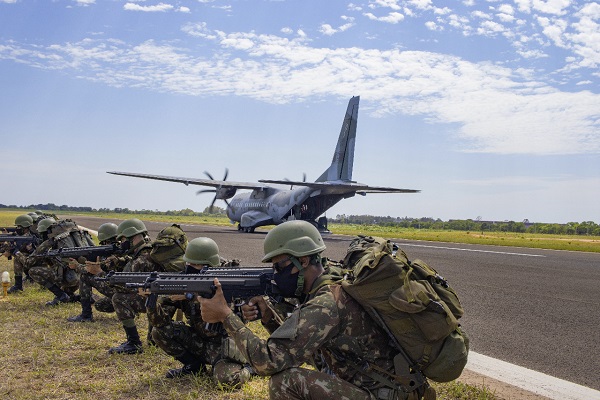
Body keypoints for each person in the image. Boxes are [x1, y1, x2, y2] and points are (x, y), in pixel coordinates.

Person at [199, 220, 422, 400]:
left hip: (383, 394)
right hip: (380, 387)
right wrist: (268, 317)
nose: (276, 274)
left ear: (303, 261)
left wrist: (225, 315)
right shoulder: (331, 284)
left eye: (280, 266)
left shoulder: (326, 304)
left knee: (285, 382)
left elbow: (266, 362)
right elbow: (297, 348)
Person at [147, 237, 254, 385]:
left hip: (224, 349)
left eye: (195, 264)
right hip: (199, 342)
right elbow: (159, 322)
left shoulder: (227, 284)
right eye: (188, 263)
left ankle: (251, 368)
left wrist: (190, 295)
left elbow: (229, 317)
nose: (189, 267)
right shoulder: (185, 281)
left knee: (227, 381)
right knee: (159, 332)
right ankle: (194, 366)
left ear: (209, 265)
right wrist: (152, 300)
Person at [108, 218, 161, 355]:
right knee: (154, 342)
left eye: (124, 239)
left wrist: (100, 273)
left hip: (157, 301)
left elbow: (123, 284)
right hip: (164, 300)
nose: (122, 243)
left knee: (118, 298)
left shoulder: (141, 259)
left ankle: (133, 343)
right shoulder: (151, 251)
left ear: (133, 237)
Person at [66, 222, 131, 322]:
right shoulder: (122, 251)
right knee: (99, 305)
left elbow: (92, 270)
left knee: (85, 277)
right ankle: (130, 310)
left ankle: (86, 315)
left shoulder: (113, 255)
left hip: (121, 292)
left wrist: (77, 266)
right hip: (128, 292)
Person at [27, 218, 80, 306]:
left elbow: (28, 263)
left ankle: (61, 295)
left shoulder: (50, 242)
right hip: (78, 278)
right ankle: (70, 295)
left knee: (32, 271)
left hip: (66, 278)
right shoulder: (69, 239)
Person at [2, 214, 39, 293]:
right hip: (28, 262)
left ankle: (20, 285)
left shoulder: (30, 238)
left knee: (17, 257)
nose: (17, 229)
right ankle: (18, 285)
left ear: (25, 227)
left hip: (34, 263)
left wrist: (14, 250)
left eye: (19, 227)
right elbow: (10, 248)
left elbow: (27, 258)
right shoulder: (21, 237)